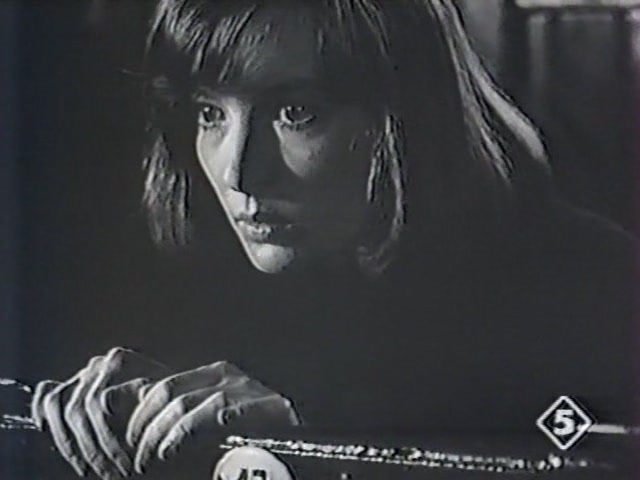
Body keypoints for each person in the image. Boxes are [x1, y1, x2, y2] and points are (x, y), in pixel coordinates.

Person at [30, 1, 638, 479]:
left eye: (296, 112)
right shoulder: (229, 285)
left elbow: (578, 446)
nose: (237, 173)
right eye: (209, 113)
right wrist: (137, 411)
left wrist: (314, 444)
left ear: (404, 116)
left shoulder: (590, 286)